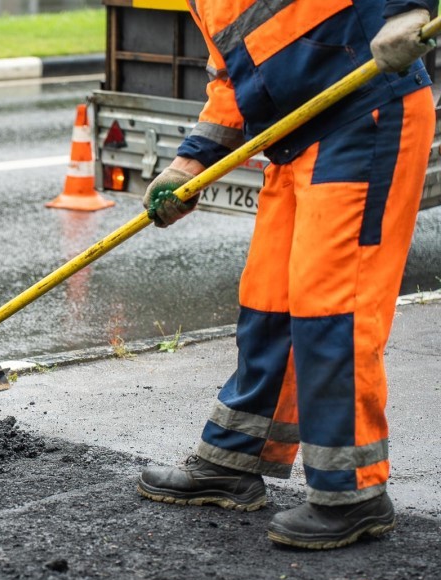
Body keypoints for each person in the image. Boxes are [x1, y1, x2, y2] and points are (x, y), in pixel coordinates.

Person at [137, 0, 437, 549]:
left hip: (362, 115)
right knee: (268, 306)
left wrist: (405, 9)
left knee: (333, 312)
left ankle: (354, 496)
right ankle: (233, 462)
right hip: (294, 141)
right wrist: (190, 162)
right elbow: (231, 78)